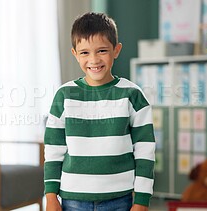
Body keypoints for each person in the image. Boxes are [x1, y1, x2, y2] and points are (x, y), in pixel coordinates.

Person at [44, 12, 156, 211]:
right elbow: (53, 150)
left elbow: (145, 151)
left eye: (102, 50)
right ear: (75, 54)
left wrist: (141, 201)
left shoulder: (132, 95)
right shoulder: (64, 95)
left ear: (116, 50)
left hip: (119, 199)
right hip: (73, 199)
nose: (94, 60)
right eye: (85, 52)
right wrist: (51, 196)